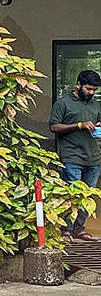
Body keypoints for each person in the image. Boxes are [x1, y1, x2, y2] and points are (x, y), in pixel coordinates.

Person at [50, 69, 101, 242]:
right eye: (88, 88)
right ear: (78, 84)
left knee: (86, 196)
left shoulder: (94, 104)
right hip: (71, 157)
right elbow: (54, 127)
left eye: (94, 90)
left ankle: (79, 229)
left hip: (93, 157)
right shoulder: (63, 103)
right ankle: (66, 230)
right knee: (72, 195)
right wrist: (79, 125)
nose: (91, 93)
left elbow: (96, 122)